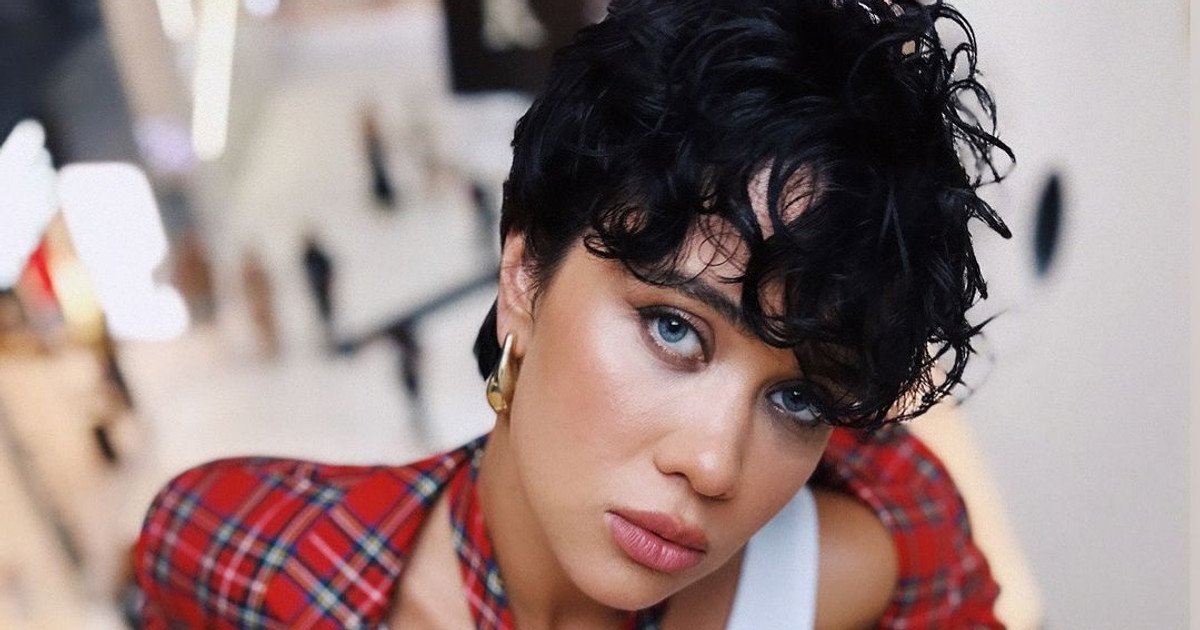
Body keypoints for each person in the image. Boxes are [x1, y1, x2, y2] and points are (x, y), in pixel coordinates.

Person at [135, 0, 1012, 627]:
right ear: (524, 275)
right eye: (674, 329)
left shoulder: (878, 564)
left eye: (799, 399)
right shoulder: (242, 560)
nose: (714, 465)